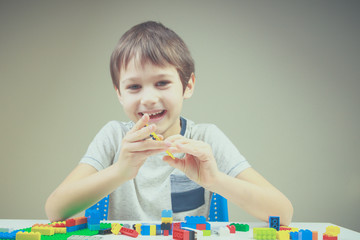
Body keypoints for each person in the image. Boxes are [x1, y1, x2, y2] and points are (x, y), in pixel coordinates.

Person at [45, 21, 293, 225]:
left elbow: (283, 213)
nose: (149, 98)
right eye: (133, 86)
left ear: (188, 85)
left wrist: (215, 180)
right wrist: (119, 171)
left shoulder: (206, 139)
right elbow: (55, 211)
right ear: (119, 93)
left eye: (162, 83)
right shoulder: (112, 137)